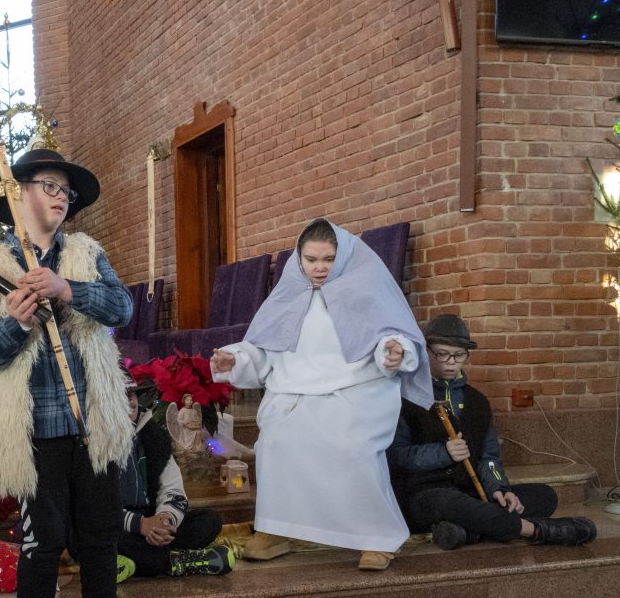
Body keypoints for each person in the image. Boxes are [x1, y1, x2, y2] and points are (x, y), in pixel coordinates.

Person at [0, 148, 150, 598]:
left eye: (65, 191)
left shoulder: (86, 253)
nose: (61, 197)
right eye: (48, 186)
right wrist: (19, 323)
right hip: (36, 428)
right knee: (42, 541)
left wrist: (68, 290)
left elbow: (123, 309)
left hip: (94, 420)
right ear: (17, 192)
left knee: (99, 534)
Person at [211, 218, 433, 571]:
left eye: (328, 259)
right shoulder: (288, 296)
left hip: (355, 390)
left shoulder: (367, 291)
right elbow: (265, 351)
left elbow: (392, 337)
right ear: (298, 258)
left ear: (343, 257)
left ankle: (376, 536)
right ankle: (275, 529)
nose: (319, 268)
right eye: (311, 259)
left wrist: (393, 351)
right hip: (295, 393)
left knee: (350, 446)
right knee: (276, 441)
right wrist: (236, 357)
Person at [388, 314, 597, 549]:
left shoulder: (477, 401)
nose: (450, 362)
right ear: (426, 352)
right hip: (424, 495)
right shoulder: (407, 397)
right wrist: (443, 452)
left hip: (469, 493)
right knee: (448, 501)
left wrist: (499, 489)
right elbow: (397, 455)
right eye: (442, 354)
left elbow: (489, 458)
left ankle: (467, 533)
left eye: (459, 355)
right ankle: (537, 530)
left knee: (545, 495)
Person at [116, 377, 235, 579]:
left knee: (209, 521)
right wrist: (141, 524)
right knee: (87, 536)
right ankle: (176, 560)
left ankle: (145, 561)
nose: (131, 401)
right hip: (119, 524)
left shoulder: (154, 437)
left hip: (153, 521)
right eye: (122, 395)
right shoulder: (92, 442)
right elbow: (93, 509)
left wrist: (165, 520)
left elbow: (172, 489)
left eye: (132, 394)